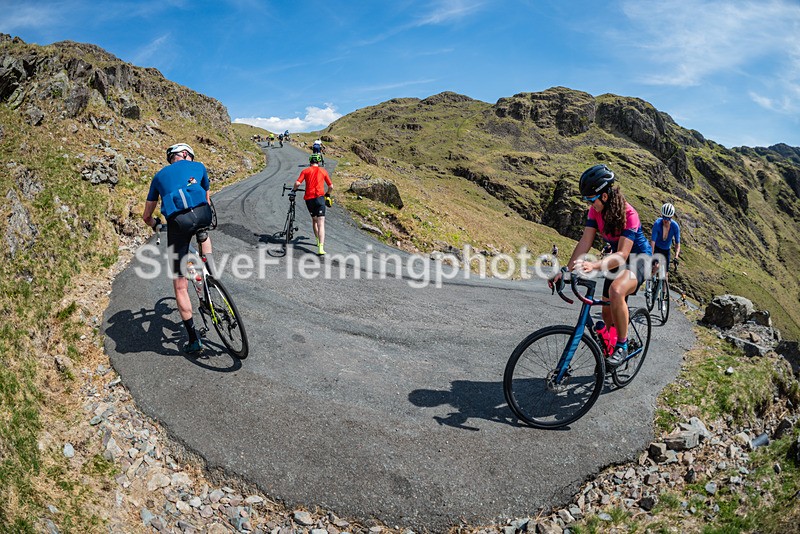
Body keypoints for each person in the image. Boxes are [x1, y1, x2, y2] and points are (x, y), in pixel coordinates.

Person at [549, 164, 652, 367]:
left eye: (590, 199)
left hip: (639, 259)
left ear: (604, 196)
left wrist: (594, 266)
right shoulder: (595, 212)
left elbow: (623, 254)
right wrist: (565, 270)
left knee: (616, 291)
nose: (589, 204)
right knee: (606, 313)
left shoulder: (629, 214)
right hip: (616, 260)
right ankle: (611, 344)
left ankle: (621, 346)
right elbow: (585, 242)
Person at [142, 143, 214, 354]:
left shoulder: (159, 176)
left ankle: (194, 340)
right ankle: (210, 272)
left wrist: (155, 224)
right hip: (203, 214)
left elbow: (146, 215)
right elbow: (206, 198)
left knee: (180, 286)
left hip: (178, 222)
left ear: (172, 157)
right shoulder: (199, 166)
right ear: (185, 155)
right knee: (203, 233)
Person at [291, 153, 333, 255]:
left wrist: (293, 191)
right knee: (321, 222)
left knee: (314, 220)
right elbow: (331, 186)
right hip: (320, 198)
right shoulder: (323, 171)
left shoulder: (305, 171)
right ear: (318, 162)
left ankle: (317, 240)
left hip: (309, 199)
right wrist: (327, 194)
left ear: (310, 161)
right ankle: (321, 248)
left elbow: (297, 183)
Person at [649, 202, 681, 283]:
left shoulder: (675, 226)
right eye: (664, 217)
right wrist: (651, 255)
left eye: (668, 218)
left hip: (666, 250)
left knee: (665, 275)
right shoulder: (657, 224)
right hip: (656, 248)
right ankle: (650, 282)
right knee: (656, 266)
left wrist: (676, 256)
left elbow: (677, 243)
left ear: (671, 217)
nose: (665, 220)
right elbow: (653, 242)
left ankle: (664, 294)